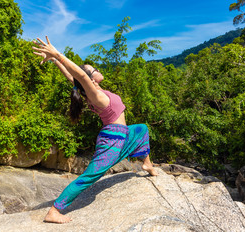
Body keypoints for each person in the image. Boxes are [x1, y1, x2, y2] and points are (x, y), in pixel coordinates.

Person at [32, 36, 158, 224]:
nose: (97, 70)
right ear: (90, 79)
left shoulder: (93, 91)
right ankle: (54, 210)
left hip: (123, 135)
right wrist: (58, 53)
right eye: (94, 70)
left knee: (141, 129)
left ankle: (147, 163)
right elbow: (80, 77)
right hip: (113, 140)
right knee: (90, 176)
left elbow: (74, 78)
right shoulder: (95, 94)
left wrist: (56, 61)